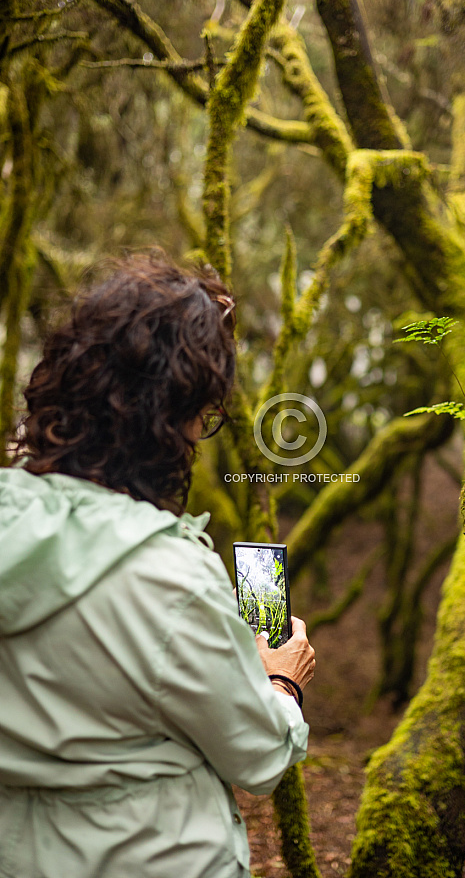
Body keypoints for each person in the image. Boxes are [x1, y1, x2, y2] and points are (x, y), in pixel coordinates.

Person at [0, 252, 316, 878]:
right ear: (173, 421)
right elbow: (257, 758)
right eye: (206, 415)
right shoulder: (167, 574)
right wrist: (280, 682)